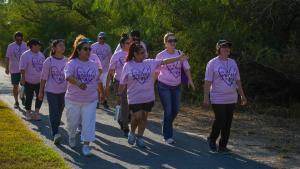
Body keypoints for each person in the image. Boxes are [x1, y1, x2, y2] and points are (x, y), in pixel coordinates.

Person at [118, 43, 188, 148]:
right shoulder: (128, 65)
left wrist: (178, 58)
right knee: (137, 117)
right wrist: (119, 94)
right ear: (135, 54)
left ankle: (140, 137)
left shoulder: (149, 62)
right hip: (134, 96)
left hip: (148, 96)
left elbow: (164, 61)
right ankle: (132, 132)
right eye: (142, 53)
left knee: (144, 117)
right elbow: (122, 82)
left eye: (144, 52)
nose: (144, 55)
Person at [203, 40, 247, 153]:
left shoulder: (233, 62)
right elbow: (208, 82)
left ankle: (223, 146)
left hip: (231, 97)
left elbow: (237, 81)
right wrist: (205, 97)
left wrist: (242, 95)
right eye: (224, 47)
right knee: (221, 119)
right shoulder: (212, 63)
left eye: (228, 47)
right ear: (218, 49)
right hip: (217, 97)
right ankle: (212, 139)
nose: (227, 49)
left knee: (228, 122)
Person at [64, 35, 102, 156]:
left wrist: (102, 93)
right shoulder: (72, 63)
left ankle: (86, 145)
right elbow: (68, 76)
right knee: (72, 123)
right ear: (79, 50)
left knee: (88, 123)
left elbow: (97, 80)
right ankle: (71, 135)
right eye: (85, 49)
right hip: (73, 99)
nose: (88, 51)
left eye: (90, 49)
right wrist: (79, 83)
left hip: (90, 99)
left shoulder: (93, 64)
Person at [155, 32, 195, 145]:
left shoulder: (179, 53)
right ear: (165, 43)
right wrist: (150, 85)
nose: (173, 43)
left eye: (174, 40)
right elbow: (156, 71)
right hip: (163, 85)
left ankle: (166, 123)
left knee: (175, 109)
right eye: (170, 41)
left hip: (176, 86)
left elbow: (186, 68)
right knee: (168, 110)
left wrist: (190, 80)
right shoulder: (160, 55)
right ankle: (168, 136)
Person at [38, 39, 67, 144]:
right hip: (51, 91)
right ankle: (55, 133)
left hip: (63, 91)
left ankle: (55, 125)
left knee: (59, 111)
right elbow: (43, 78)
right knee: (54, 111)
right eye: (60, 45)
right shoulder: (48, 61)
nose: (62, 47)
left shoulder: (67, 60)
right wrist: (41, 91)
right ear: (54, 48)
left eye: (63, 45)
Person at [106, 34, 131, 136]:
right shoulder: (116, 55)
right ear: (122, 44)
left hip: (132, 83)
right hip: (119, 81)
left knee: (129, 104)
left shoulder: (133, 54)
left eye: (130, 43)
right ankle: (125, 127)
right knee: (124, 103)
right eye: (127, 43)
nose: (129, 44)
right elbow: (111, 69)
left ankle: (121, 119)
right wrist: (112, 80)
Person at [19, 39, 45, 121]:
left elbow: (44, 68)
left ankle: (36, 113)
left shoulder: (41, 55)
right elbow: (22, 68)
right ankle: (28, 113)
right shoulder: (25, 55)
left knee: (40, 97)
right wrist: (23, 78)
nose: (39, 47)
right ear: (33, 46)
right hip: (28, 81)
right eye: (38, 45)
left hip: (39, 81)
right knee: (29, 97)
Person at [5, 31, 28, 108]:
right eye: (17, 40)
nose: (19, 41)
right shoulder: (10, 46)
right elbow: (7, 57)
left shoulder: (26, 45)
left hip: (25, 70)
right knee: (15, 86)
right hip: (14, 69)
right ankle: (16, 102)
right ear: (15, 39)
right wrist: (7, 68)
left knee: (25, 86)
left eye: (20, 40)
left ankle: (22, 96)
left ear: (22, 38)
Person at [91, 32, 112, 109]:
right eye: (100, 38)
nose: (102, 40)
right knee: (97, 86)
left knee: (107, 87)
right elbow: (90, 57)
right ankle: (97, 101)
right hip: (97, 70)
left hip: (106, 69)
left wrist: (112, 69)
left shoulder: (107, 47)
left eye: (103, 38)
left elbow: (110, 57)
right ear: (98, 38)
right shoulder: (93, 46)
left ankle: (104, 101)